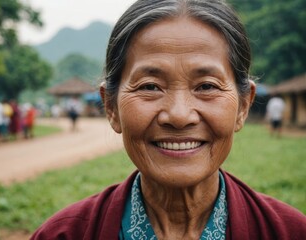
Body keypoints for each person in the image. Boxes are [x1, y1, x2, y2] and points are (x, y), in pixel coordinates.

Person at [31, 1, 306, 239]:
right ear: (111, 107)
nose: (178, 115)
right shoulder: (62, 235)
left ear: (243, 106)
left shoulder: (291, 232)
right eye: (150, 86)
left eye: (207, 86)